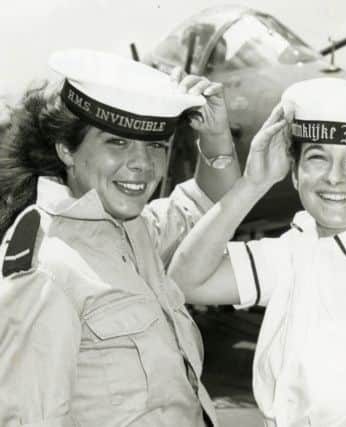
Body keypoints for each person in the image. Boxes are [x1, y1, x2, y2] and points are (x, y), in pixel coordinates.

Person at [0, 48, 242, 427]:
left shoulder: (133, 230)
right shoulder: (47, 269)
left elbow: (210, 204)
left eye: (155, 146)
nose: (143, 165)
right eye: (117, 143)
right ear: (67, 148)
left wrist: (215, 136)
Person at [168, 77, 346, 427]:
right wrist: (253, 183)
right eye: (318, 158)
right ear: (294, 173)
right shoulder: (295, 252)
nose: (334, 177)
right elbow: (184, 282)